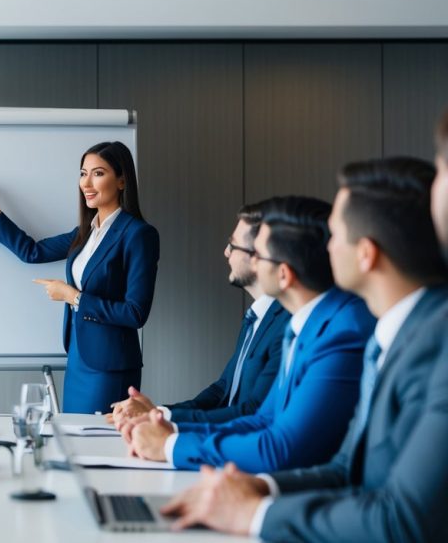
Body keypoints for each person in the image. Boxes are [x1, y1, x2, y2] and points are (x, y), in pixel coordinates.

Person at [161, 153, 448, 542]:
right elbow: (347, 467)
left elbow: (402, 520)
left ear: (365, 253)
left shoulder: (419, 340)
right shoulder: (387, 334)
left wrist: (256, 514)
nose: (325, 248)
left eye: (335, 234)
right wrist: (261, 491)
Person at [127, 197, 375, 473]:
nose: (252, 264)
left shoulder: (341, 329)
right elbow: (262, 419)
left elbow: (280, 446)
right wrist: (170, 430)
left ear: (283, 275)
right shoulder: (304, 325)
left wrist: (171, 445)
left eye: (257, 255)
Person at [0, 141, 160, 412]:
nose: (86, 183)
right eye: (83, 173)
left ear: (121, 181)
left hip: (109, 367)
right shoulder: (85, 233)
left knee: (99, 445)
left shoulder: (138, 234)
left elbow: (135, 313)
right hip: (78, 360)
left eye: (98, 173)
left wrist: (73, 296)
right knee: (74, 440)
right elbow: (31, 252)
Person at [110, 200, 289, 426]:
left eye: (233, 246)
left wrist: (161, 419)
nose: (226, 253)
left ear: (258, 257)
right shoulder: (254, 318)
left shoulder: (286, 324)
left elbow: (253, 412)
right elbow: (223, 389)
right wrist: (158, 411)